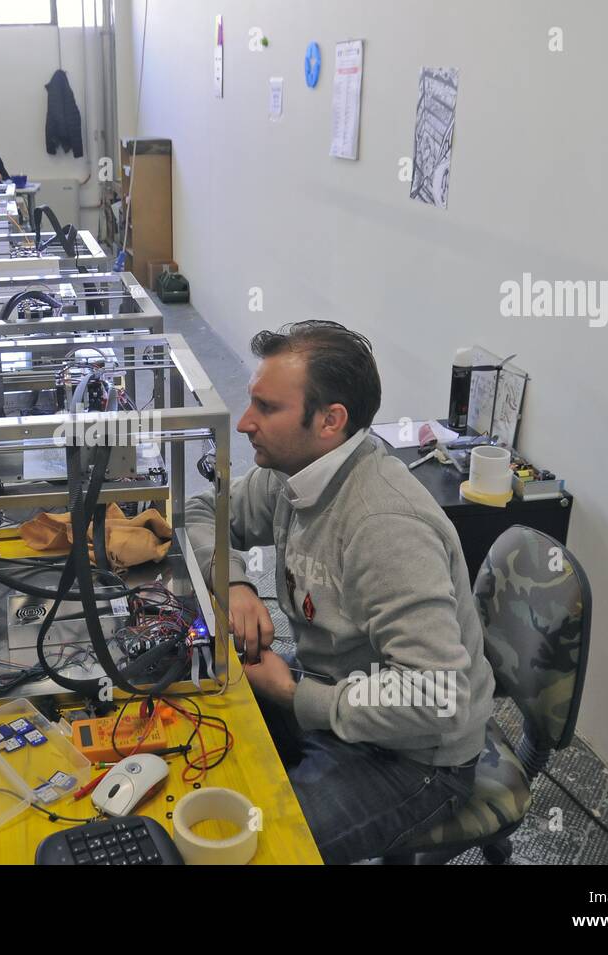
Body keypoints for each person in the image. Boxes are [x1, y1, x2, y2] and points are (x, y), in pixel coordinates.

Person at [186, 320, 495, 864]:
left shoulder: (383, 524)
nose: (244, 422)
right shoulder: (294, 470)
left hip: (415, 758)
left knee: (255, 851)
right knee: (194, 708)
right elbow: (201, 511)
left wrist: (297, 698)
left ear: (330, 421)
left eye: (265, 407)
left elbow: (438, 696)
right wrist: (235, 583)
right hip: (332, 688)